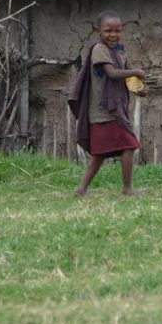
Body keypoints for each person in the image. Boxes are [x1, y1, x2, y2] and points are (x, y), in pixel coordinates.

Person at [68, 10, 148, 197]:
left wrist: (139, 88)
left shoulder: (119, 52)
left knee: (100, 154)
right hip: (104, 111)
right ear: (98, 31)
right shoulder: (99, 50)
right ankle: (127, 189)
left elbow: (125, 78)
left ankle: (81, 190)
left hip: (114, 110)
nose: (113, 35)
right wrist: (136, 71)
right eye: (108, 31)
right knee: (129, 145)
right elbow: (112, 73)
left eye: (117, 31)